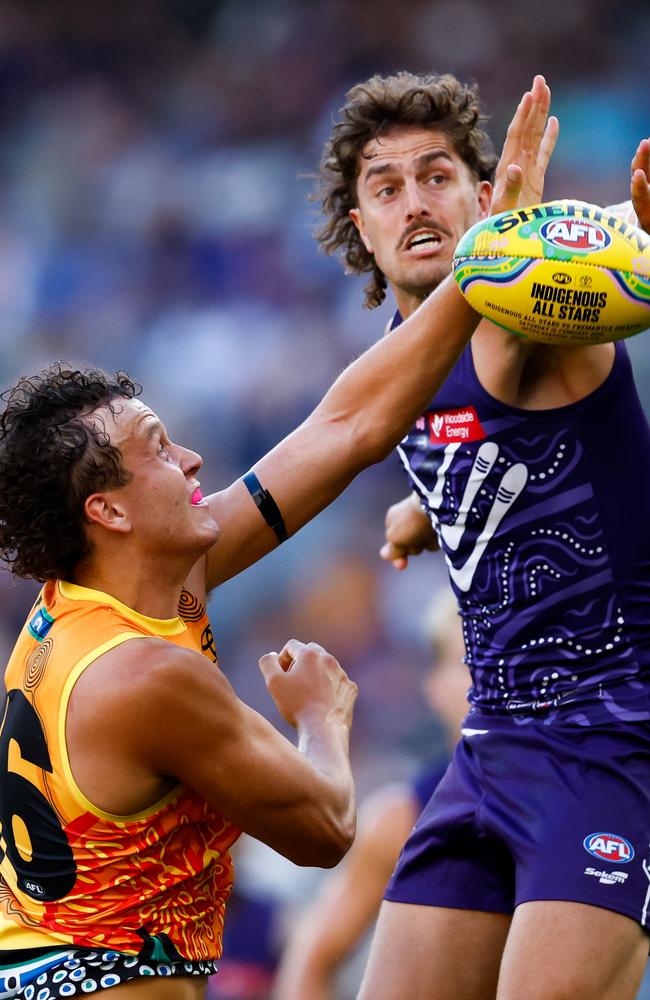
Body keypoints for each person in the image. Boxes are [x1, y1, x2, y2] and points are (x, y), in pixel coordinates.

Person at [0, 79, 552, 998]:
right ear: (107, 510)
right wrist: (321, 717)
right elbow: (325, 827)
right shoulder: (142, 674)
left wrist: (483, 260)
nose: (192, 456)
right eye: (157, 448)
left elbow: (343, 431)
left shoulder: (120, 591)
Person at [316, 69, 650, 1000]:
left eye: (438, 177)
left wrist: (592, 240)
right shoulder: (393, 374)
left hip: (615, 745)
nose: (417, 203)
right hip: (486, 752)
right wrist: (421, 513)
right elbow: (491, 449)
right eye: (388, 187)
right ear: (358, 223)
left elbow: (565, 307)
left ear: (481, 197)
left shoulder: (530, 312)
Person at [271, 591, 468, 1000]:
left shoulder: (578, 801)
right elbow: (309, 963)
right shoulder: (403, 818)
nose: (486, 679)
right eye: (466, 661)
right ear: (434, 686)